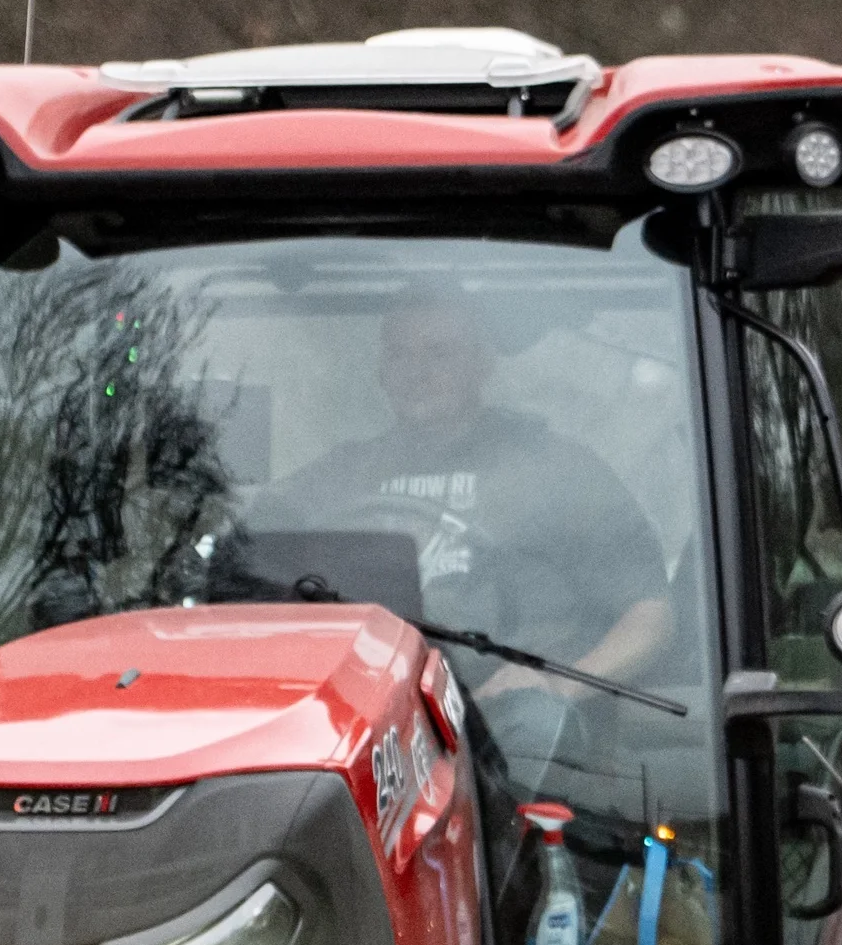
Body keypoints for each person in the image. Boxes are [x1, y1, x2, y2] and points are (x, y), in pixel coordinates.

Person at [272, 283, 685, 787]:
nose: (417, 372)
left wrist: (556, 687)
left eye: (439, 353)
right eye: (400, 354)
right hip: (371, 725)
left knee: (538, 726)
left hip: (509, 726)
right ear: (382, 371)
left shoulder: (557, 471)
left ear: (482, 363)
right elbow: (247, 569)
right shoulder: (336, 479)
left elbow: (651, 619)